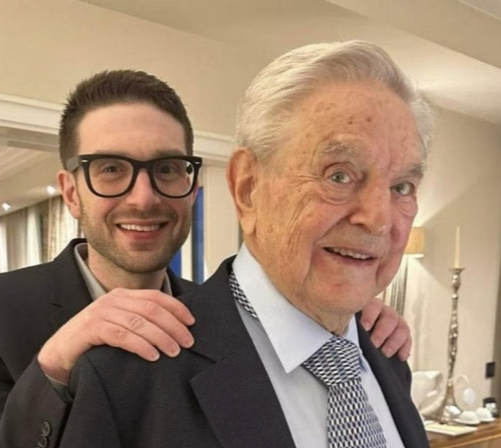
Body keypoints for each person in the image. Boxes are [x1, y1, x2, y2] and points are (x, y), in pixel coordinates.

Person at [0, 68, 413, 448]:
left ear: (193, 186)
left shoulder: (215, 320)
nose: (144, 198)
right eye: (111, 169)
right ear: (71, 192)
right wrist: (55, 368)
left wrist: (334, 306)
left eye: (167, 169)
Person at [58, 41, 433, 447]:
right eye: (338, 175)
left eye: (402, 186)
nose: (378, 220)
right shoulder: (124, 377)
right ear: (248, 188)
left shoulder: (387, 354)